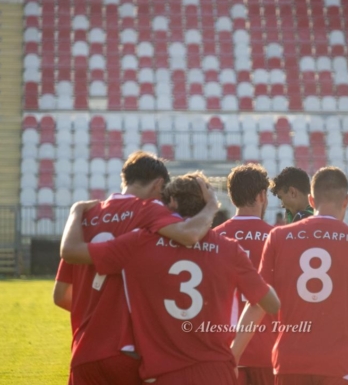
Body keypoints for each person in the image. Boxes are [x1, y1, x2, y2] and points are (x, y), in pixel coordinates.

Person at [61, 172, 281, 385]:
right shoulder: (229, 249)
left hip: (163, 374)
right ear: (207, 203)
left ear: (172, 202)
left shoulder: (140, 243)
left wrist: (77, 211)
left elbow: (72, 253)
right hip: (216, 371)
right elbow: (270, 304)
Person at [54, 151, 219, 385]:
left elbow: (60, 295)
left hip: (83, 353)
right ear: (158, 184)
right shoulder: (147, 210)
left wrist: (97, 315)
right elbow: (190, 234)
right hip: (126, 350)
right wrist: (212, 205)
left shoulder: (85, 217)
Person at [234, 166, 348, 384]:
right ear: (346, 200)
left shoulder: (278, 237)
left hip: (290, 362)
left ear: (311, 200)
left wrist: (234, 354)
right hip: (339, 364)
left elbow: (258, 302)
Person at [213, 164, 275, 385]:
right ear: (262, 196)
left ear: (232, 198)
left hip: (223, 351)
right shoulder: (277, 239)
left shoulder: (213, 239)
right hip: (268, 352)